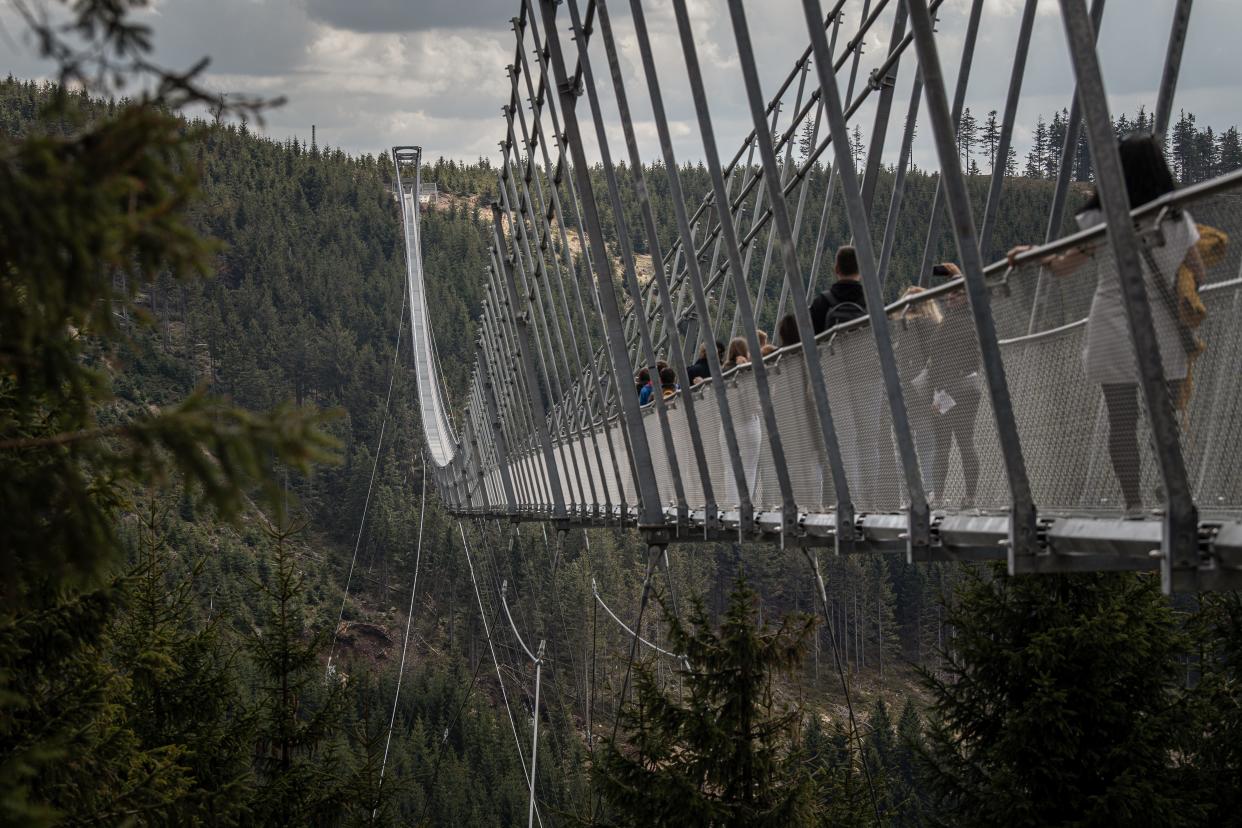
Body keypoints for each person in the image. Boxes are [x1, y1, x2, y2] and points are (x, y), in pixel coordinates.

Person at [1007, 133, 1205, 515]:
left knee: (1122, 419)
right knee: (1164, 420)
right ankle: (1175, 495)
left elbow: (1064, 266)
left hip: (1114, 322)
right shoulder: (1177, 218)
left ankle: (1133, 503)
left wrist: (1036, 256)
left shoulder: (1101, 219)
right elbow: (1196, 270)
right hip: (1164, 326)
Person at [810, 245, 867, 335]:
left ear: (836, 269)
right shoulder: (872, 303)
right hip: (867, 349)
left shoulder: (821, 303)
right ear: (860, 270)